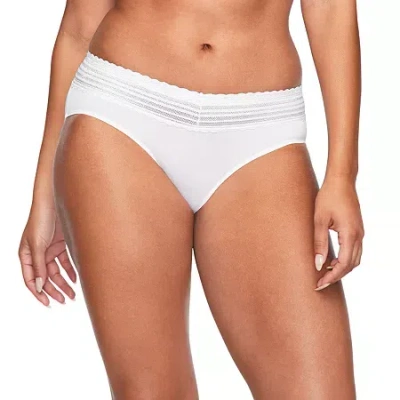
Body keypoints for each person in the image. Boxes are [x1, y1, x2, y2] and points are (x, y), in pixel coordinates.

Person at [18, 0, 364, 398]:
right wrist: (44, 195)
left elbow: (331, 8)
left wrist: (342, 174)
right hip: (122, 114)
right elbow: (80, 26)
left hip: (262, 130)